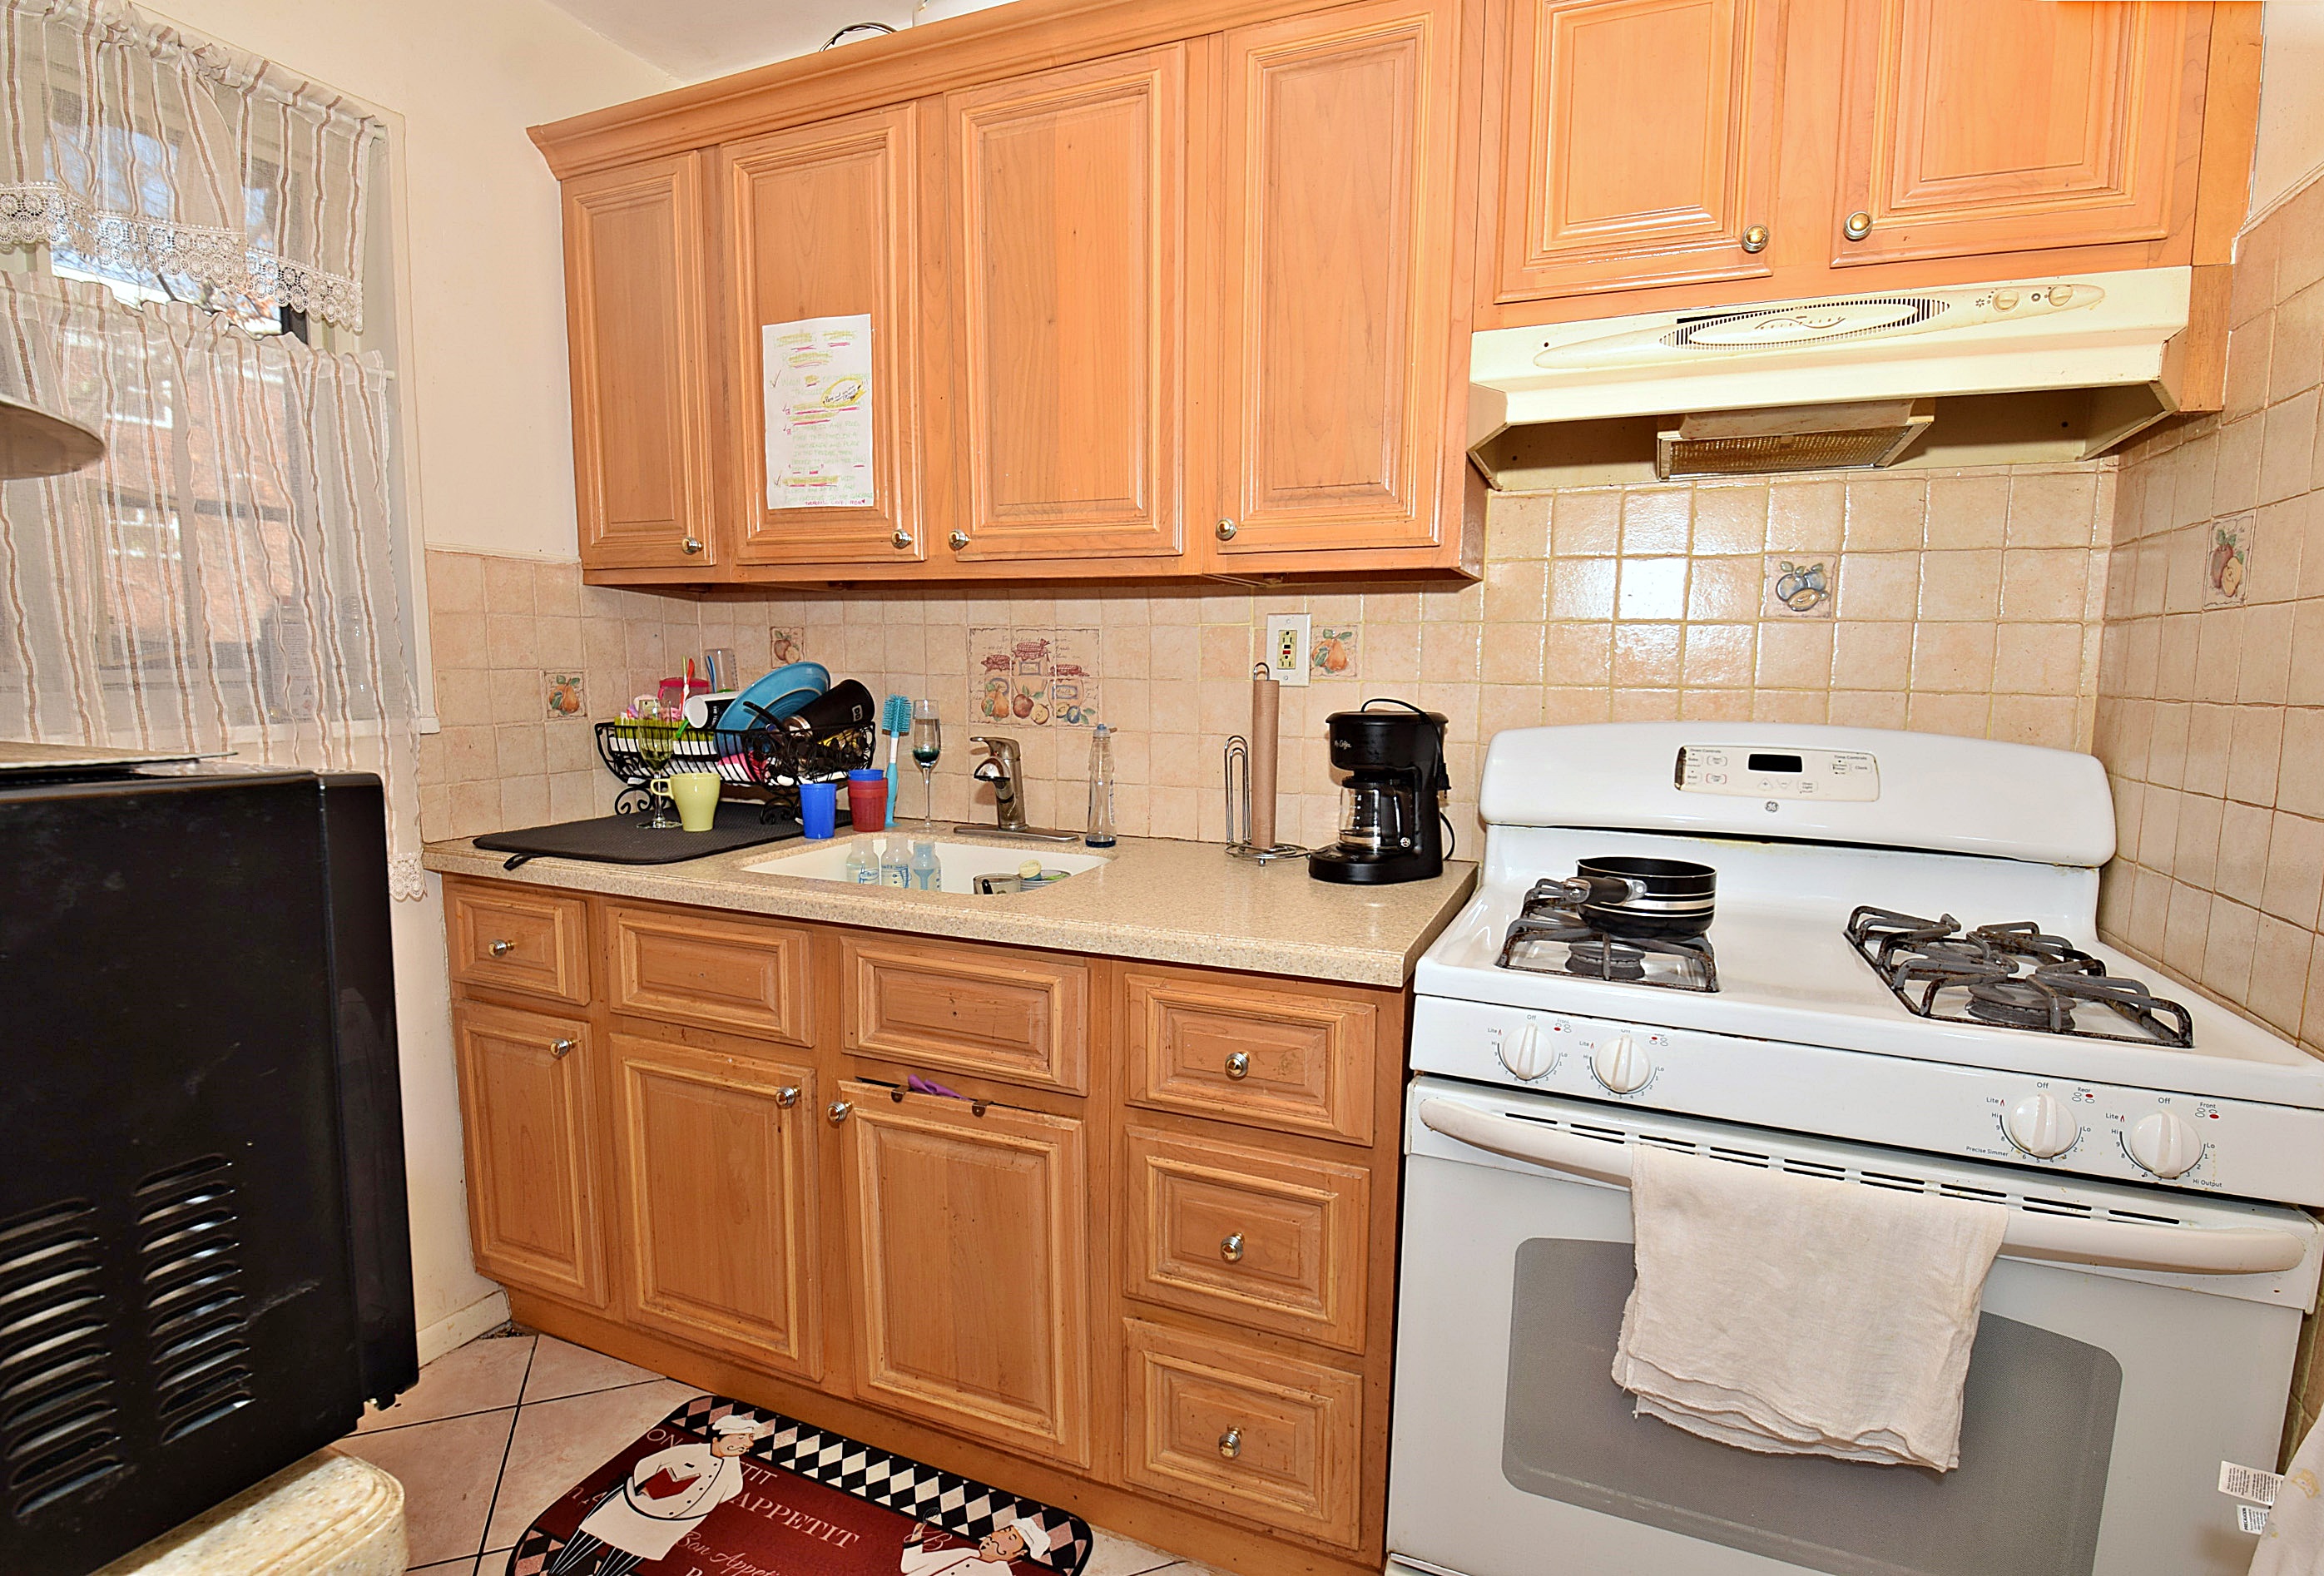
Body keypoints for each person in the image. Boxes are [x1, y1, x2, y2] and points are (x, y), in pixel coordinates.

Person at [547, 1412, 767, 1576]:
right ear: (720, 1436)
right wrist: (646, 1492)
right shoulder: (687, 1451)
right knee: (599, 1533)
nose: (743, 1446)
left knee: (634, 1550)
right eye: (739, 1438)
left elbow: (730, 1491)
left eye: (746, 1443)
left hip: (672, 1523)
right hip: (638, 1506)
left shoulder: (733, 1475)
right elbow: (647, 1465)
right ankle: (557, 1571)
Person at [897, 1516, 1052, 1574]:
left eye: (1010, 1538)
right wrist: (917, 1534)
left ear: (1019, 1553)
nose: (997, 1536)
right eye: (1004, 1530)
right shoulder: (965, 1552)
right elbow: (910, 1566)